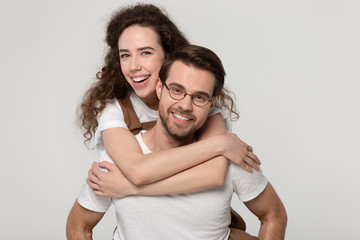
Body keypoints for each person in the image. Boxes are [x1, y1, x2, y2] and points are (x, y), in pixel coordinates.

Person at [66, 3, 261, 239]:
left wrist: (128, 188)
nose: (134, 65)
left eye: (145, 52)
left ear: (169, 55)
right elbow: (137, 171)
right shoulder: (114, 110)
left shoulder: (201, 103)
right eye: (125, 55)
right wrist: (221, 144)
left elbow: (214, 175)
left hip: (199, 216)